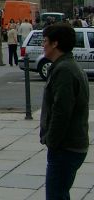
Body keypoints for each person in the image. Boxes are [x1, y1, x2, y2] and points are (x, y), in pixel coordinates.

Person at [39, 22, 89, 199]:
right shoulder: (67, 66)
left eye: (45, 40)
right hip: (70, 145)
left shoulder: (65, 70)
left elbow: (62, 111)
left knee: (55, 195)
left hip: (65, 147)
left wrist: (51, 140)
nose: (42, 44)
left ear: (55, 44)